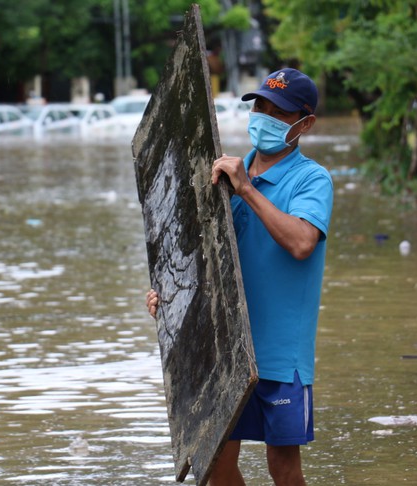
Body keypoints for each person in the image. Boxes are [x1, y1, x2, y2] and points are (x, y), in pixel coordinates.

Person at [146, 67, 333, 485]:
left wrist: (247, 189)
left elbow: (302, 243)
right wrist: (168, 299)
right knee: (215, 465)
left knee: (283, 467)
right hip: (223, 351)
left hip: (281, 356)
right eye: (260, 106)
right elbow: (195, 261)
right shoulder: (218, 177)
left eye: (278, 112)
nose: (264, 116)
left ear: (304, 124)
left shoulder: (312, 179)